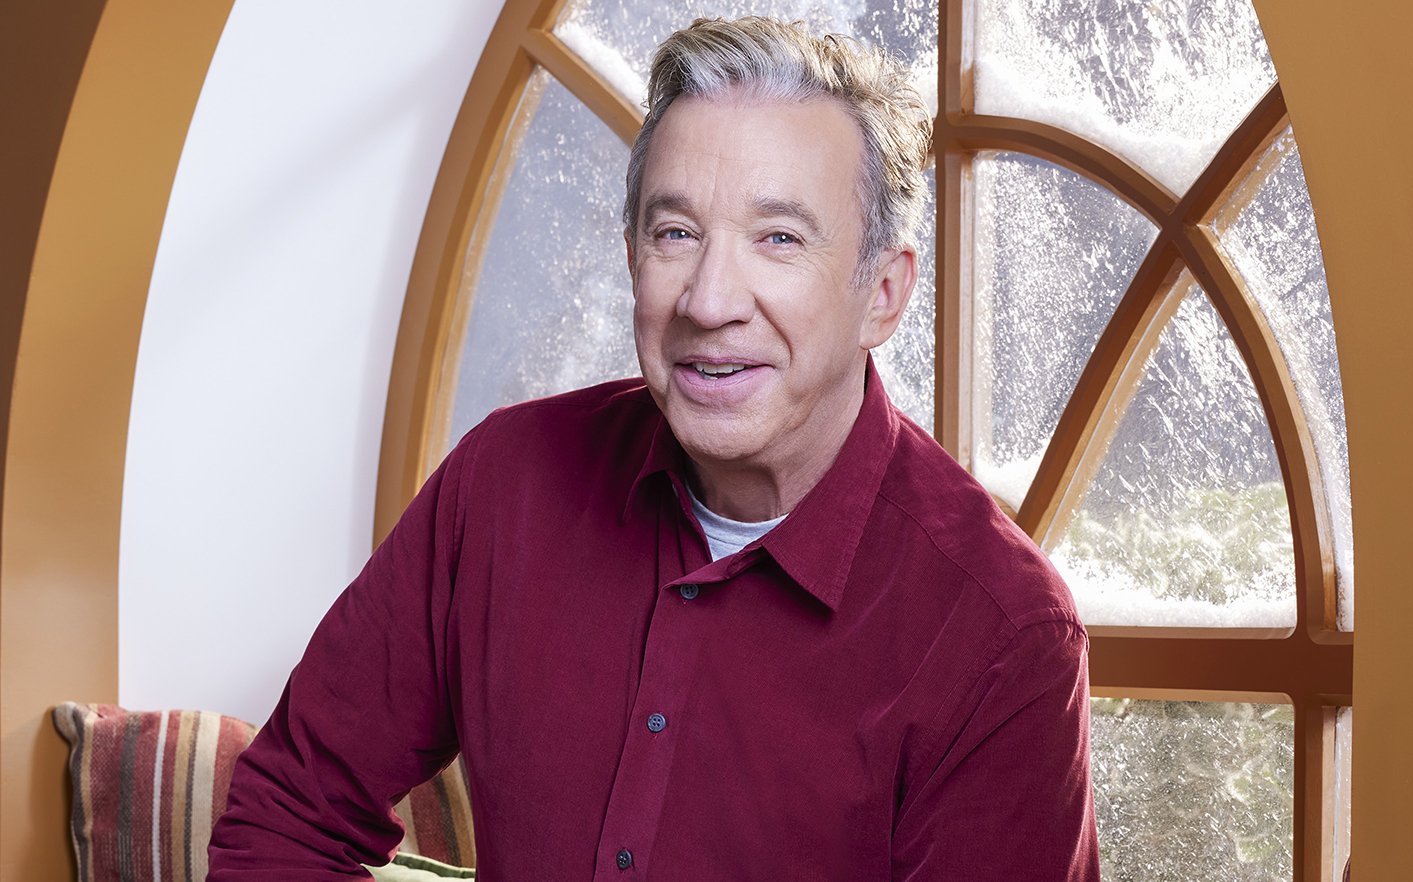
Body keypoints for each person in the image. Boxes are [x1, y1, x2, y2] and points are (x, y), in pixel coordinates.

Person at [208, 16, 1097, 881]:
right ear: (633, 255)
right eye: (676, 234)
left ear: (885, 292)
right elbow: (288, 816)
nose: (709, 301)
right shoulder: (502, 484)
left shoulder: (1003, 635)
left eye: (778, 240)